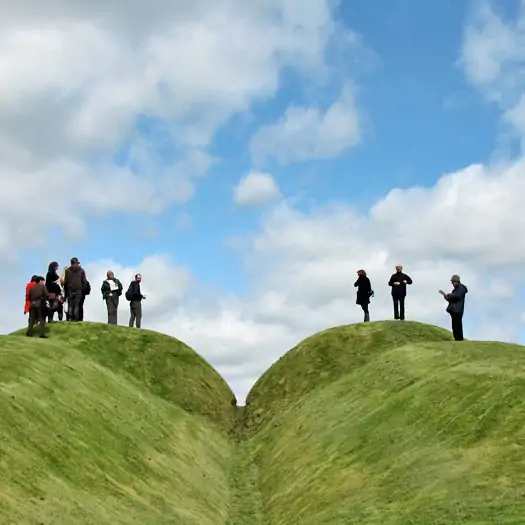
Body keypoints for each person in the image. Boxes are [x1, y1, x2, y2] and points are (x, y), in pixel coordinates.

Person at [439, 274, 468, 341]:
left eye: (453, 282)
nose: (452, 284)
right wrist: (446, 296)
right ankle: (457, 339)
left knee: (457, 325)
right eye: (452, 282)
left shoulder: (461, 288)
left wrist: (449, 295)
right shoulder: (456, 289)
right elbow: (452, 298)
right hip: (454, 310)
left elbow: (456, 296)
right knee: (455, 326)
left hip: (457, 310)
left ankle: (459, 339)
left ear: (457, 281)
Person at [63, 257, 88, 322]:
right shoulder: (81, 270)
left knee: (70, 304)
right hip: (79, 289)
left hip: (70, 289)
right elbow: (84, 281)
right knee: (77, 304)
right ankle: (76, 318)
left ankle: (70, 317)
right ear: (77, 263)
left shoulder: (67, 271)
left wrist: (65, 290)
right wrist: (84, 290)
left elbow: (66, 282)